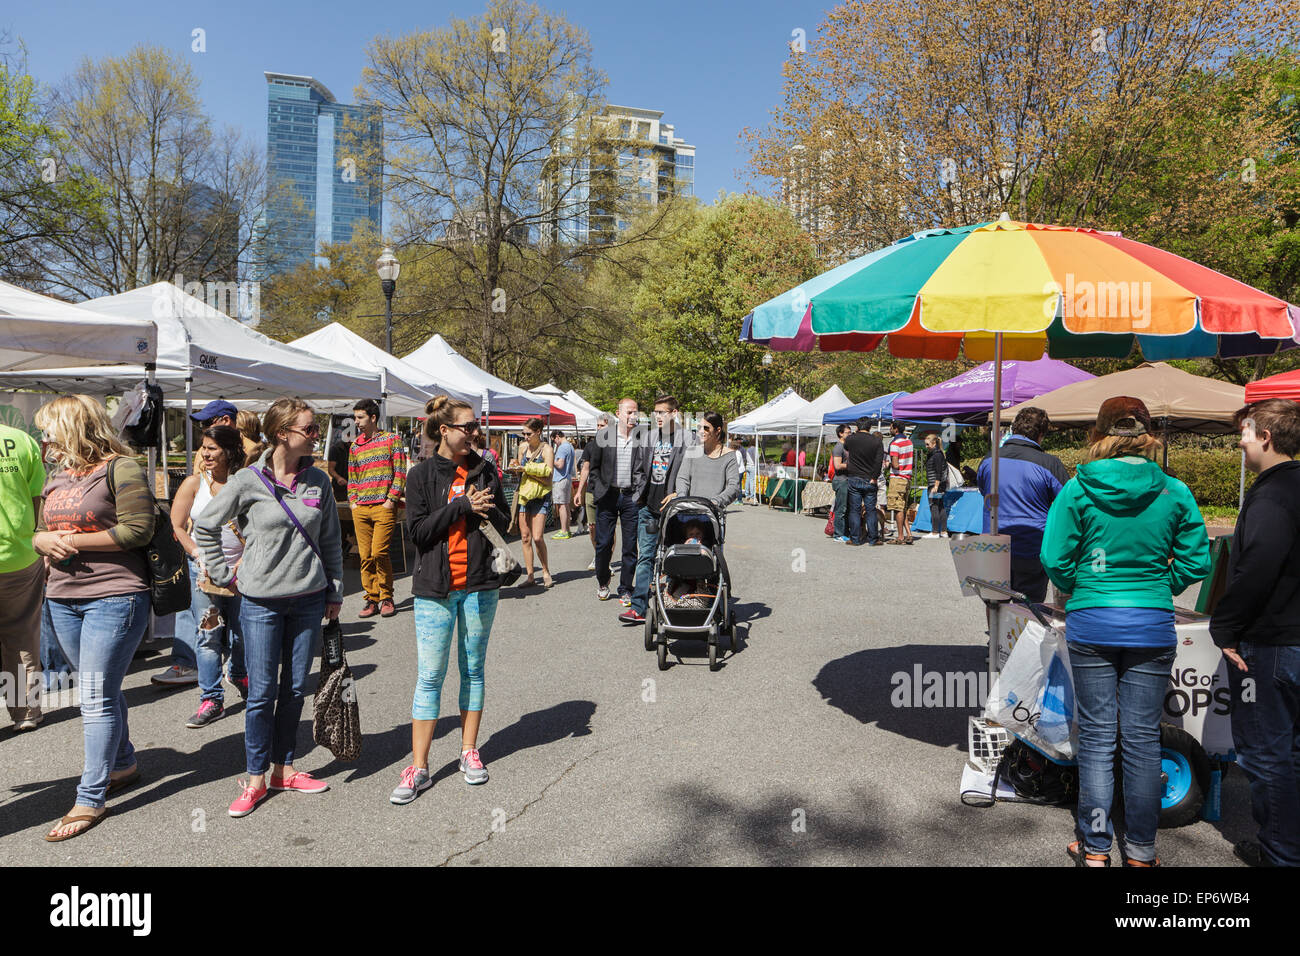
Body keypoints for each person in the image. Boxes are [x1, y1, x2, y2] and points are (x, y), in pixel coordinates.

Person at [1040, 396, 1209, 867]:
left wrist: (1086, 587)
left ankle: (1095, 849)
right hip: (1151, 624)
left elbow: (1055, 560)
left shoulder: (1076, 489)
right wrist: (1158, 586)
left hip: (1092, 620)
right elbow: (1197, 561)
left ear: (1099, 433)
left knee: (1095, 738)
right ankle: (1140, 852)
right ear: (1149, 434)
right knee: (1141, 739)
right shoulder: (1175, 491)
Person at [194, 397, 343, 819]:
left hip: (309, 599)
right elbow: (205, 525)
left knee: (295, 689)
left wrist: (333, 591)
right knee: (260, 693)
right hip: (259, 601)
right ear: (283, 434)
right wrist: (224, 574)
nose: (317, 435)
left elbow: (330, 540)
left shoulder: (318, 481)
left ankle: (285, 768)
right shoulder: (247, 480)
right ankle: (256, 775)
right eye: (310, 429)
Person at [33, 395, 155, 841]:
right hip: (63, 597)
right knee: (98, 686)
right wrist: (41, 540)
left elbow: (138, 530)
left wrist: (71, 541)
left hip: (115, 597)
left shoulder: (119, 467)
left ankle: (90, 797)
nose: (44, 439)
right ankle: (122, 763)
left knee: (93, 696)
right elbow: (39, 531)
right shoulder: (58, 475)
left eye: (49, 429)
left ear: (73, 426)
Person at [390, 395, 511, 803]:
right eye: (468, 427)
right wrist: (461, 504)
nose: (475, 433)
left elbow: (505, 522)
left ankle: (468, 751)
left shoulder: (485, 468)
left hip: (480, 584)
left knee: (473, 669)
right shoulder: (421, 475)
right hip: (434, 591)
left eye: (476, 426)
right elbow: (419, 533)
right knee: (430, 677)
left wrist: (487, 506)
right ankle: (419, 767)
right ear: (444, 430)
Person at [1209, 398, 1300, 867]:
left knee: (1267, 756)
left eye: (1244, 433)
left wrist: (1224, 627)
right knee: (1293, 754)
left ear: (1265, 436)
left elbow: (1258, 564)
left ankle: (1281, 855)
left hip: (1273, 644)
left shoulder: (1272, 494)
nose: (1239, 442)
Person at [169, 426, 249, 728]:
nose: (205, 453)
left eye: (213, 448)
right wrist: (196, 553)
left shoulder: (245, 483)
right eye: (203, 447)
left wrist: (245, 560)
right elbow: (176, 525)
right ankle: (212, 698)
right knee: (208, 635)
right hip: (204, 576)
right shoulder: (194, 484)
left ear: (229, 451)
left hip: (242, 574)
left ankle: (238, 672)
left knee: (242, 635)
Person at [977, 406, 1069, 603]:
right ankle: (1021, 635)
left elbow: (983, 490)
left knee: (994, 603)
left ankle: (996, 634)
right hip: (1032, 546)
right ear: (1042, 434)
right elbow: (1067, 503)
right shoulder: (1049, 463)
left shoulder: (989, 459)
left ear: (1014, 428)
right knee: (1028, 608)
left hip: (993, 543)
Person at [620, 395, 692, 626]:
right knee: (645, 557)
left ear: (675, 413)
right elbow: (639, 468)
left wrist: (680, 495)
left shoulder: (688, 439)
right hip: (648, 506)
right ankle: (639, 607)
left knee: (675, 558)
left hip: (675, 510)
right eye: (655, 412)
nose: (658, 417)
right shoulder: (649, 437)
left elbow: (692, 472)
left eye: (662, 412)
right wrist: (638, 495)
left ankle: (674, 603)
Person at [0, 418, 46, 732]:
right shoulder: (21, 440)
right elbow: (37, 497)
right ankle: (27, 710)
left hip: (22, 555)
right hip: (20, 553)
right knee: (22, 634)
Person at [347, 398, 408, 619]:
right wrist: (353, 501)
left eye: (360, 417)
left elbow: (400, 472)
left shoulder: (392, 439)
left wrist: (391, 500)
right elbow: (352, 476)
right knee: (365, 555)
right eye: (355, 418)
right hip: (360, 508)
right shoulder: (355, 446)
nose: (357, 422)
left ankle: (386, 596)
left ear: (373, 417)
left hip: (383, 506)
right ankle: (371, 598)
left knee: (379, 552)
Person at [576, 399, 640, 602]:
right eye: (629, 412)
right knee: (603, 543)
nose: (633, 416)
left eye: (635, 412)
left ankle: (626, 588)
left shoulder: (642, 437)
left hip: (631, 496)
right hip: (608, 495)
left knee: (630, 546)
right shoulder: (604, 436)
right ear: (618, 413)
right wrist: (598, 488)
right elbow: (592, 466)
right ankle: (603, 582)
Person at [507, 417, 554, 588]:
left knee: (537, 537)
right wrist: (515, 467)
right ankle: (530, 576)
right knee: (525, 537)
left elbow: (549, 476)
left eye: (528, 433)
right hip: (524, 496)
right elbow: (519, 472)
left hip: (541, 497)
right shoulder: (522, 447)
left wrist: (525, 469)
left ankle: (546, 570)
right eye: (523, 433)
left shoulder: (546, 449)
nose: (525, 437)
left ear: (538, 432)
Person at [574, 414, 611, 572]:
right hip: (591, 491)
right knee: (592, 526)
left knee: (609, 528)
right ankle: (598, 556)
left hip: (609, 492)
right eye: (598, 426)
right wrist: (579, 491)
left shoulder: (615, 445)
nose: (599, 428)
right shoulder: (590, 446)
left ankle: (606, 560)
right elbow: (585, 469)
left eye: (602, 426)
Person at [842, 417, 884, 546]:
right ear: (870, 427)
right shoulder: (877, 441)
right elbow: (878, 462)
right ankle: (873, 538)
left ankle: (854, 538)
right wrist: (875, 477)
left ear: (857, 427)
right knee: (871, 510)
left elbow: (846, 447)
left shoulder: (851, 439)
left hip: (854, 477)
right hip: (870, 478)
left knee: (854, 510)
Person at [886, 421, 915, 545]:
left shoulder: (895, 444)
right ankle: (908, 534)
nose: (890, 429)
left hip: (897, 477)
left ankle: (900, 537)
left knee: (897, 508)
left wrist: (888, 465)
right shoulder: (909, 442)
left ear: (895, 429)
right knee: (903, 507)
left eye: (891, 427)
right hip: (907, 477)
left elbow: (895, 464)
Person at [922, 432, 950, 539]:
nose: (926, 446)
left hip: (935, 484)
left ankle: (935, 532)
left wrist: (936, 485)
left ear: (934, 443)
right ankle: (943, 531)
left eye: (927, 444)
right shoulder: (937, 453)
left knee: (934, 506)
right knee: (940, 506)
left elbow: (939, 471)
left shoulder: (937, 455)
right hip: (938, 484)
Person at [550, 429, 575, 540]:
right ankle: (567, 530)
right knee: (565, 505)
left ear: (557, 437)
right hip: (567, 478)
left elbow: (560, 465)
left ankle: (564, 530)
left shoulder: (562, 447)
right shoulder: (570, 446)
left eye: (554, 441)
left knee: (561, 505)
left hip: (560, 478)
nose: (555, 443)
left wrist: (550, 459)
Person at [829, 425, 851, 543]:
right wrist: (851, 466)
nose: (849, 434)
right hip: (841, 480)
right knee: (841, 508)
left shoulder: (847, 447)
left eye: (850, 432)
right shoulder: (838, 447)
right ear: (841, 434)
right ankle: (838, 534)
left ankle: (845, 532)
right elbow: (837, 466)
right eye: (847, 433)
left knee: (847, 508)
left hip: (847, 480)